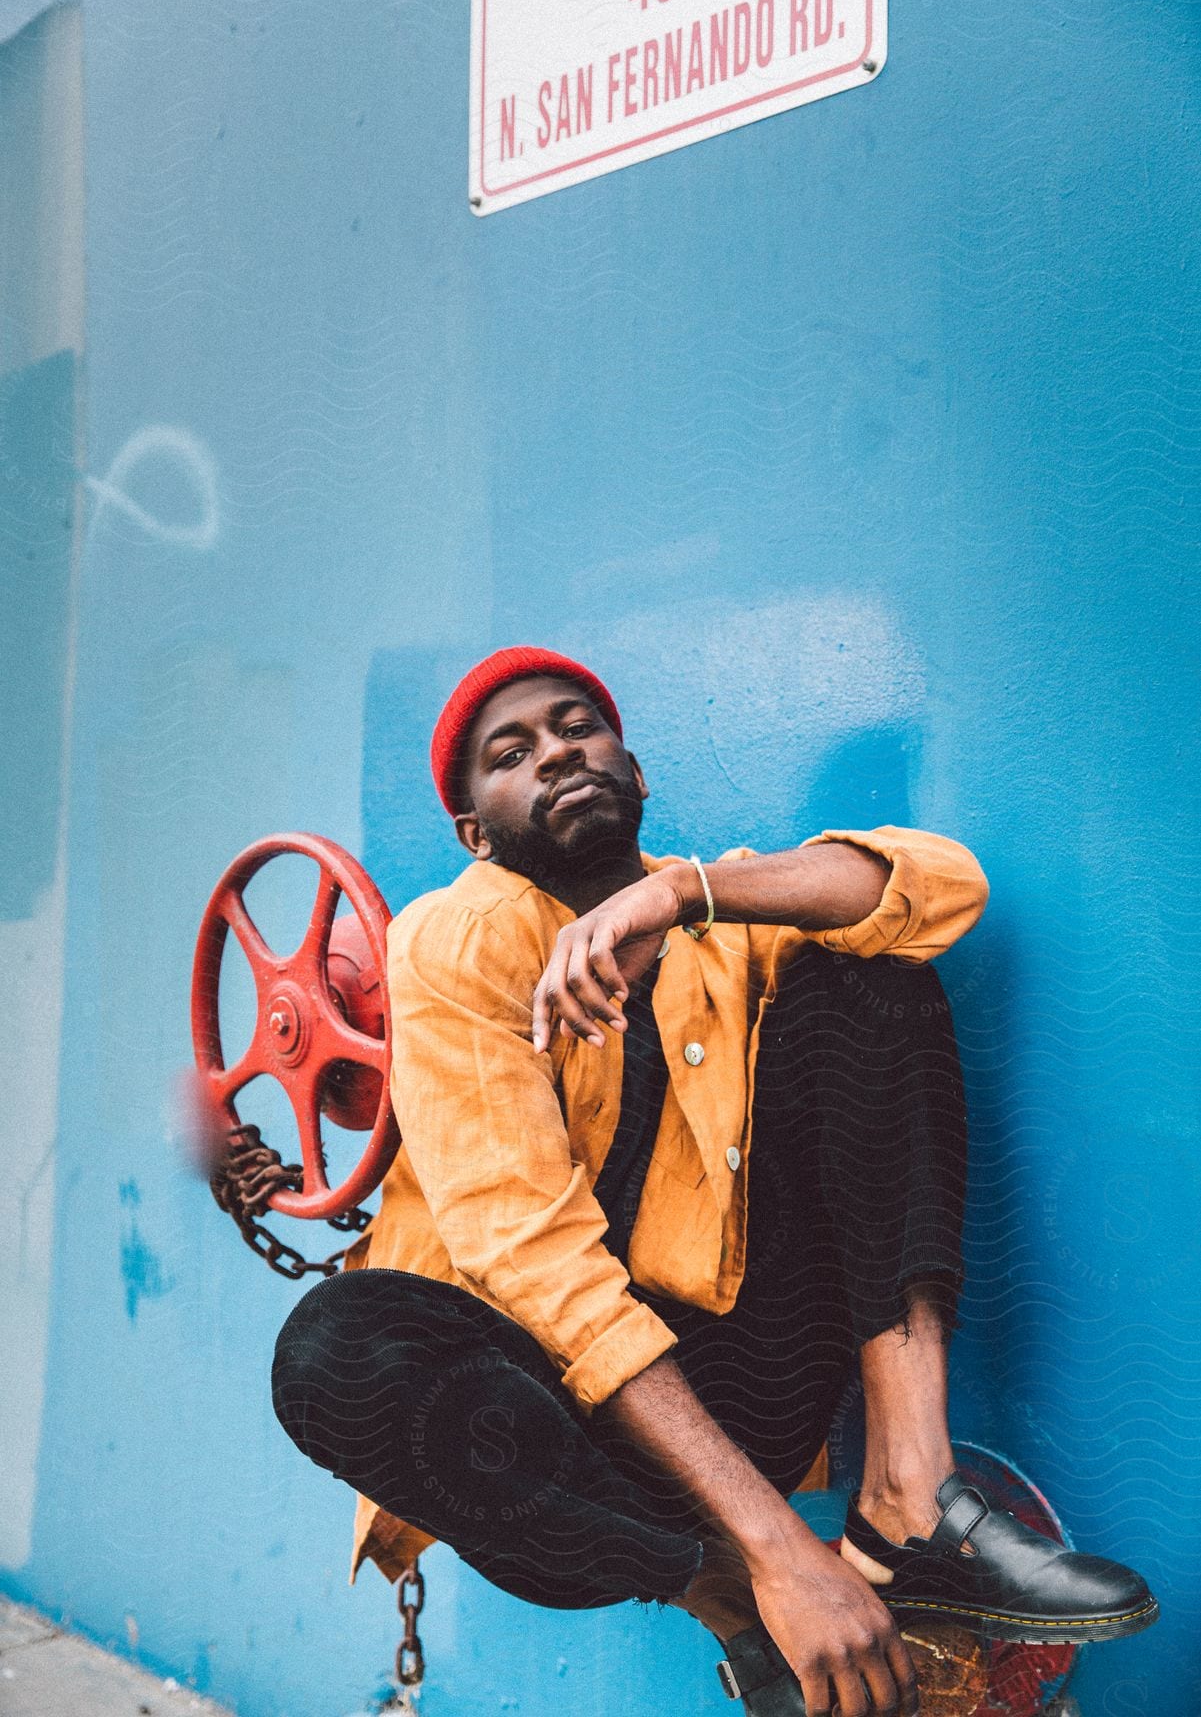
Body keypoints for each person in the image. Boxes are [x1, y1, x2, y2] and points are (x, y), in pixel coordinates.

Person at [272, 646, 1157, 1717]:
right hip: (575, 1453)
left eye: (576, 726)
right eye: (513, 753)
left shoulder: (718, 911)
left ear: (634, 772)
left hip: (747, 1381)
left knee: (863, 970)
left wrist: (680, 897)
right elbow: (532, 1259)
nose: (558, 752)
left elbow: (935, 887)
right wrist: (782, 1554)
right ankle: (742, 1612)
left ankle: (909, 1503)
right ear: (475, 830)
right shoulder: (453, 943)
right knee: (334, 1352)